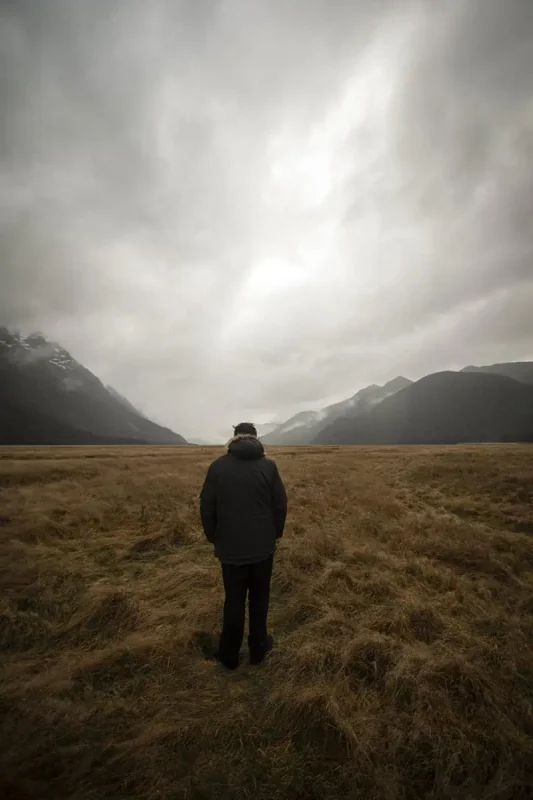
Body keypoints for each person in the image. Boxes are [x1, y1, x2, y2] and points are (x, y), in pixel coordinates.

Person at [199, 422, 288, 670]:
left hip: (231, 547)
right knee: (260, 598)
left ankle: (229, 655)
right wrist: (274, 534)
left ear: (234, 438)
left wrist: (213, 536)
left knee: (234, 600)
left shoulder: (218, 466)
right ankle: (259, 650)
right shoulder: (268, 466)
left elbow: (207, 505)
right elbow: (280, 504)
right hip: (263, 546)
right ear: (256, 439)